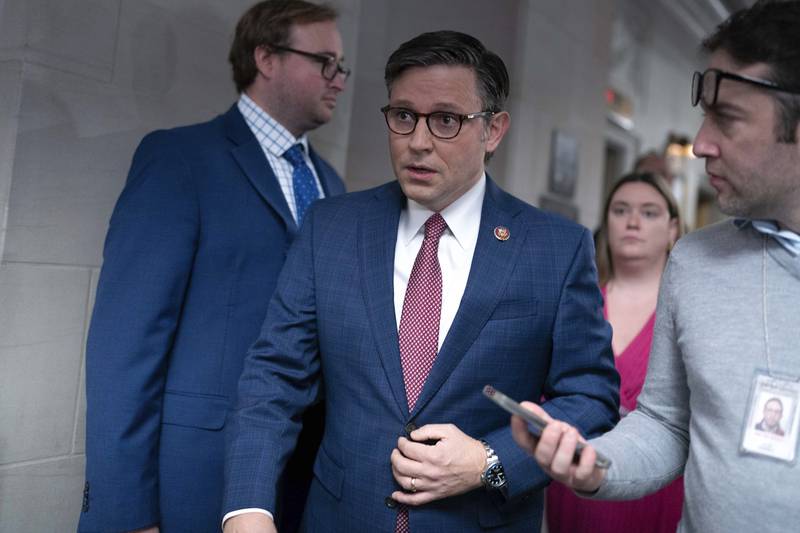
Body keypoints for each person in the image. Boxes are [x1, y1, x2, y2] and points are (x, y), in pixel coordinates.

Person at [222, 30, 619, 533]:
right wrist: (247, 509)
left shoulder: (555, 250)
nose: (418, 141)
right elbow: (274, 379)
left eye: (447, 120)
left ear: (493, 130)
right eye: (404, 116)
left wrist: (489, 460)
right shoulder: (332, 229)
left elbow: (591, 399)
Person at [512, 1, 800, 532]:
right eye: (704, 113)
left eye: (728, 118)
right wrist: (596, 464)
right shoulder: (695, 261)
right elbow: (666, 423)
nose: (700, 144)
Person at [79, 2, 348, 532]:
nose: (337, 79)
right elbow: (125, 345)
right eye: (324, 61)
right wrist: (126, 512)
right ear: (266, 57)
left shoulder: (331, 185)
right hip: (189, 481)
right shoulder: (179, 160)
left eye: (341, 66)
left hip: (296, 488)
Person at [546, 172, 684, 533]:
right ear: (607, 222)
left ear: (673, 229)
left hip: (653, 495)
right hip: (574, 489)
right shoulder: (573, 303)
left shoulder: (686, 316)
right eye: (621, 210)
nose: (633, 222)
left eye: (649, 212)